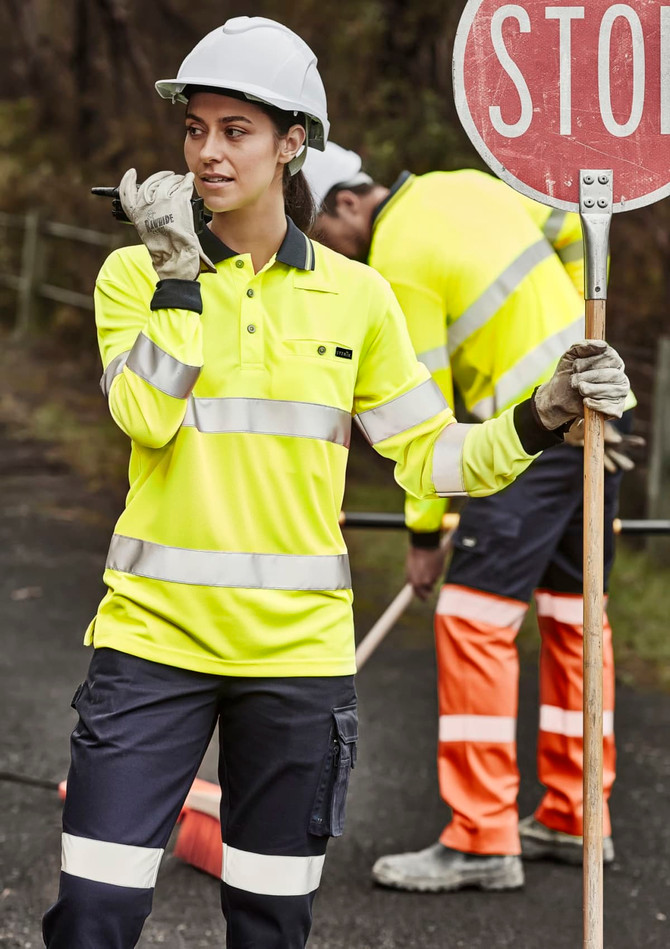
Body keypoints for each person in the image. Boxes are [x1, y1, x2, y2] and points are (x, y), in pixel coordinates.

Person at [42, 18, 630, 947]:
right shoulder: (133, 276)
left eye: (236, 130)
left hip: (298, 668)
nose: (207, 151)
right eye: (195, 129)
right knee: (94, 912)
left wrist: (541, 412)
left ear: (292, 145)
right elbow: (146, 416)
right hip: (151, 647)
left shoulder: (360, 297)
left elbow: (434, 457)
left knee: (272, 924)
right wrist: (180, 280)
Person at [304, 143, 638, 893]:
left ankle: (483, 837)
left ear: (350, 206)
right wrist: (581, 342)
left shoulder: (396, 260)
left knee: (471, 618)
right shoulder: (467, 184)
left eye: (323, 233)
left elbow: (425, 418)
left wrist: (423, 537)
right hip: (597, 413)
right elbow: (571, 229)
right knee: (576, 615)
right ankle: (576, 815)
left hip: (536, 430)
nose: (327, 252)